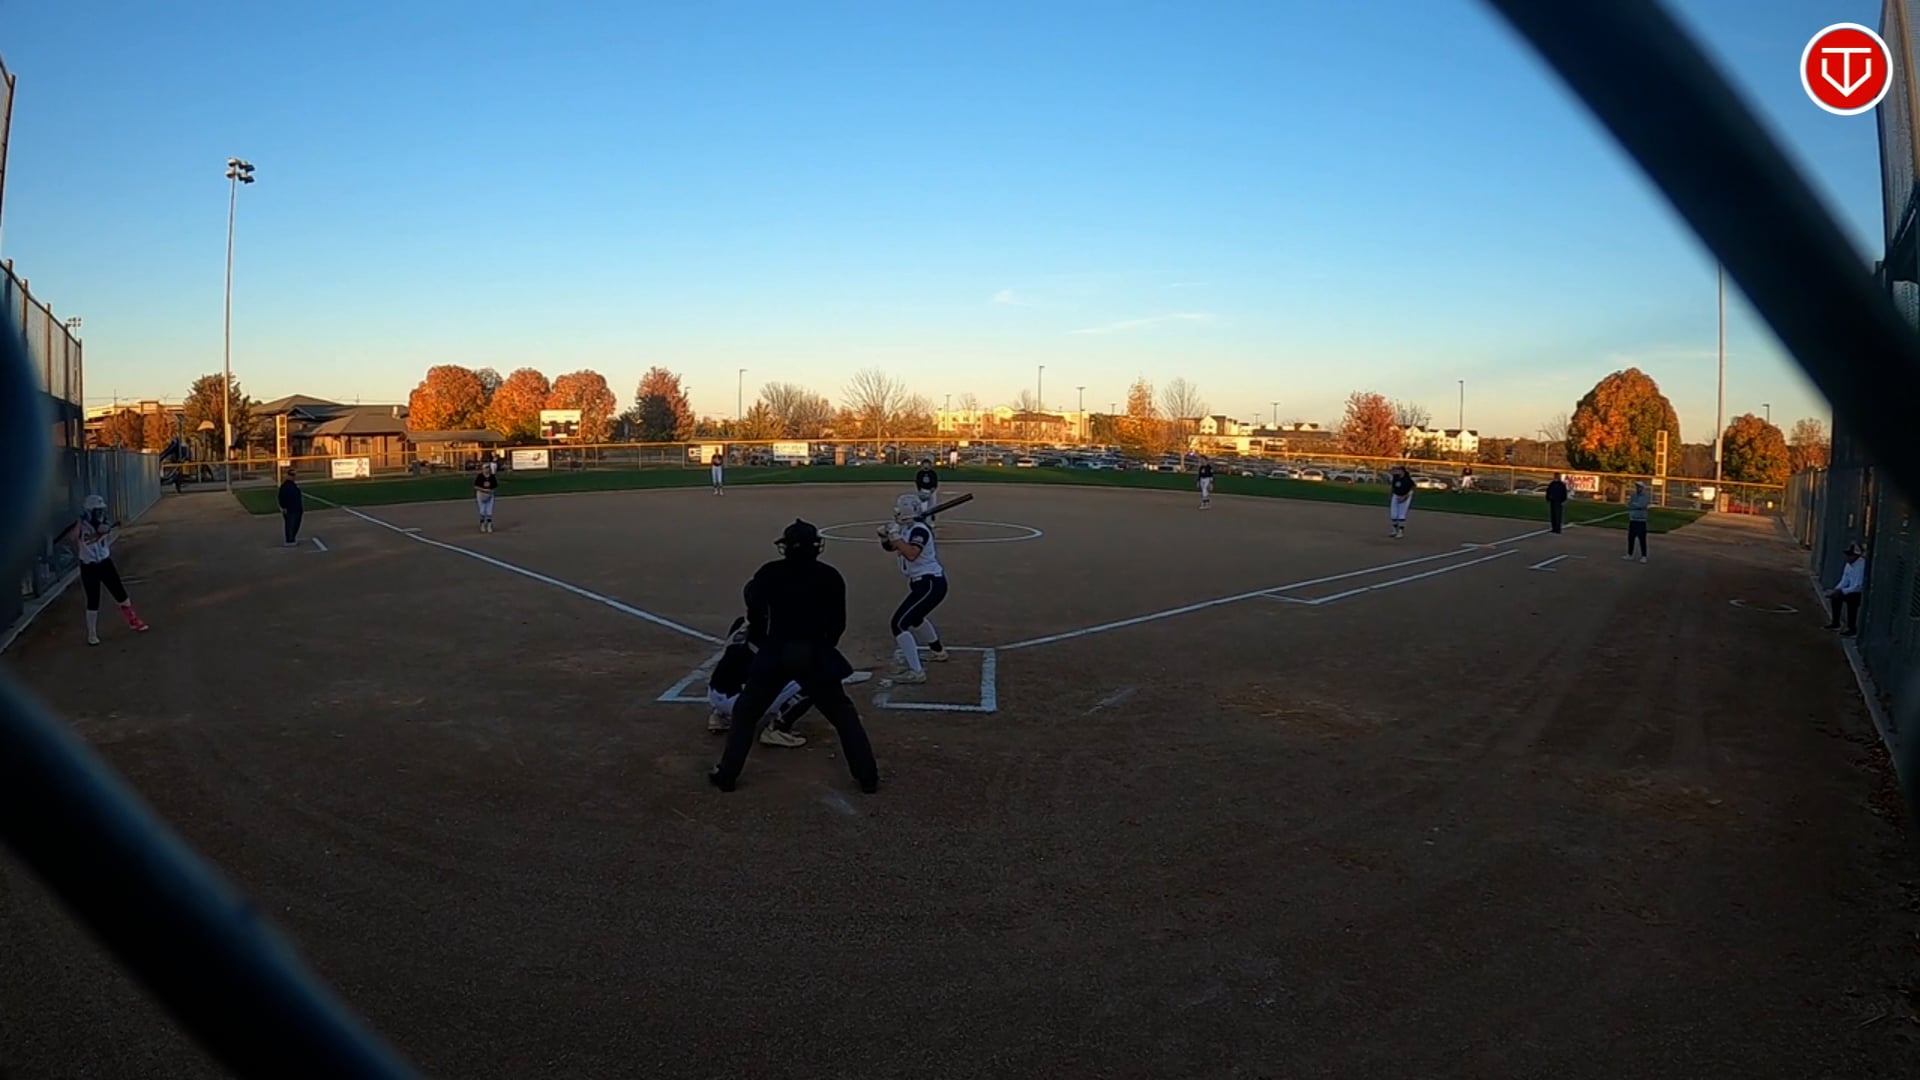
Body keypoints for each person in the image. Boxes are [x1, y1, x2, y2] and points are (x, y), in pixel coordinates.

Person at [710, 519, 878, 793]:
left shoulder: (769, 573)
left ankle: (727, 775)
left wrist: (769, 642)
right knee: (844, 716)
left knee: (745, 714)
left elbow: (754, 613)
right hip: (814, 652)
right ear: (816, 547)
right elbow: (838, 624)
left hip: (775, 653)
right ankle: (867, 777)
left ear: (786, 547)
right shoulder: (830, 576)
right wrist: (823, 648)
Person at [705, 617, 812, 747]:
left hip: (714, 693)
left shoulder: (742, 623)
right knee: (817, 676)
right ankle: (777, 729)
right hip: (739, 703)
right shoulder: (776, 633)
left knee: (736, 663)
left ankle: (721, 716)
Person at [878, 493, 949, 684]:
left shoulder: (920, 531)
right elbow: (892, 547)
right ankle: (938, 651)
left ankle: (916, 672)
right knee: (916, 618)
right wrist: (885, 536)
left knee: (899, 624)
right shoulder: (907, 528)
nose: (897, 512)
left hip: (930, 584)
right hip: (923, 584)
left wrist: (894, 535)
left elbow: (911, 553)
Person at [67, 495, 150, 646]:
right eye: (96, 510)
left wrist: (94, 523)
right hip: (88, 566)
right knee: (93, 599)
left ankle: (133, 620)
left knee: (120, 593)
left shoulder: (103, 521)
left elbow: (103, 529)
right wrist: (80, 522)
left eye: (100, 510)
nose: (100, 513)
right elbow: (72, 538)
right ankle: (92, 633)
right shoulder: (82, 525)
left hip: (105, 563)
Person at [1824, 542, 1868, 636]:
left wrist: (1843, 591)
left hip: (1859, 592)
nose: (1848, 557)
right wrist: (1837, 589)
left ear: (1856, 556)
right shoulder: (1849, 564)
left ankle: (1852, 628)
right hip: (1850, 590)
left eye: (1850, 555)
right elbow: (1844, 580)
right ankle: (1835, 623)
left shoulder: (1861, 566)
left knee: (1852, 601)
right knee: (1836, 597)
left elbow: (1858, 586)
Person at [1624, 481, 1651, 563]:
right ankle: (1629, 554)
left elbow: (1642, 505)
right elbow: (1629, 504)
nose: (1638, 488)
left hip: (1641, 521)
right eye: (1637, 487)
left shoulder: (1645, 496)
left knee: (1642, 539)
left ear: (1642, 488)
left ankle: (1644, 556)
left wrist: (1634, 505)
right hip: (1633, 519)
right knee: (1631, 538)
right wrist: (1634, 505)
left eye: (1639, 487)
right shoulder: (1633, 495)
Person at [278, 468, 304, 547]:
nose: (293, 477)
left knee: (296, 524)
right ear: (288, 476)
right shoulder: (285, 486)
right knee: (290, 524)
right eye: (291, 475)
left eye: (294, 475)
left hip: (297, 508)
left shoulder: (294, 485)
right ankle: (290, 540)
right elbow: (281, 497)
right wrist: (284, 507)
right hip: (290, 509)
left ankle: (292, 538)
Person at [1388, 465, 1415, 539]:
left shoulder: (1407, 479)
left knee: (1401, 514)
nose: (1396, 471)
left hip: (1405, 496)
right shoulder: (1395, 477)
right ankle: (1394, 530)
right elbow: (1393, 487)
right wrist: (1391, 495)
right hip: (1396, 495)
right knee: (1393, 514)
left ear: (1402, 471)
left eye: (1398, 470)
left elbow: (1412, 488)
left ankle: (1400, 532)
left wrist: (1405, 497)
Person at [474, 461, 499, 533]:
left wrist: (491, 491)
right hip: (481, 495)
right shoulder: (480, 476)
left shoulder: (492, 477)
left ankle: (489, 525)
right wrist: (484, 490)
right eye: (485, 468)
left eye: (488, 468)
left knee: (489, 512)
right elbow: (476, 486)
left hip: (490, 495)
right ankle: (482, 524)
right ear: (482, 469)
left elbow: (495, 486)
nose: (487, 469)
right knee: (482, 511)